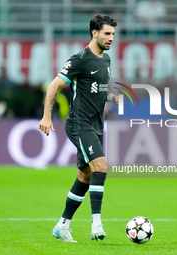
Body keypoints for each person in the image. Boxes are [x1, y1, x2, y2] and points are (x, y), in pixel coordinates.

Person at [39, 14, 118, 243]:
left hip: (95, 125)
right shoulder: (79, 59)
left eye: (113, 34)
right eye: (107, 33)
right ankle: (96, 225)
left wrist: (112, 97)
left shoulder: (106, 60)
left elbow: (97, 90)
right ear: (94, 32)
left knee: (85, 176)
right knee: (101, 165)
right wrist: (46, 117)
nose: (111, 38)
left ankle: (62, 225)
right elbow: (54, 86)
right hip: (79, 123)